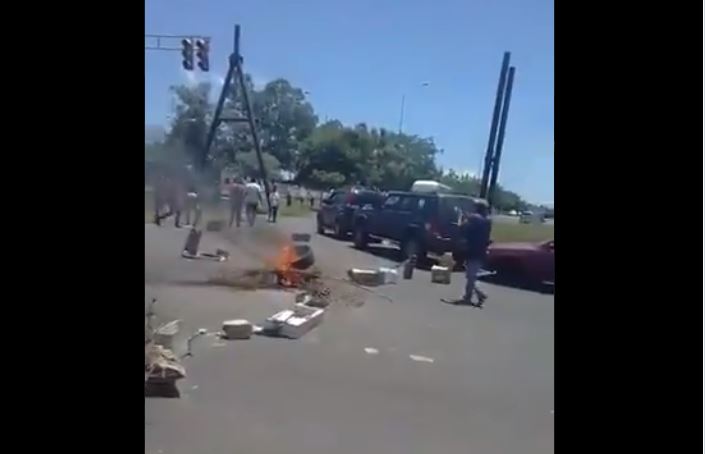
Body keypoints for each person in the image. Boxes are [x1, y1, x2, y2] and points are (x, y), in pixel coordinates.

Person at [459, 200, 493, 307]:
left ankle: (470, 296)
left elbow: (462, 228)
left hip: (472, 249)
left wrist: (463, 218)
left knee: (470, 276)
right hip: (481, 250)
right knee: (471, 275)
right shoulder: (487, 221)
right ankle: (478, 295)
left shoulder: (473, 218)